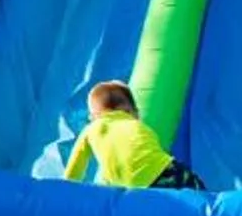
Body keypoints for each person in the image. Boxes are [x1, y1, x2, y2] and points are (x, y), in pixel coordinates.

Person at [63, 81, 204, 190]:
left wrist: (65, 191)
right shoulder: (137, 125)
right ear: (131, 111)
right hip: (163, 172)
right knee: (196, 189)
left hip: (133, 189)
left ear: (93, 116)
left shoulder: (89, 130)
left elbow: (74, 168)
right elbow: (152, 148)